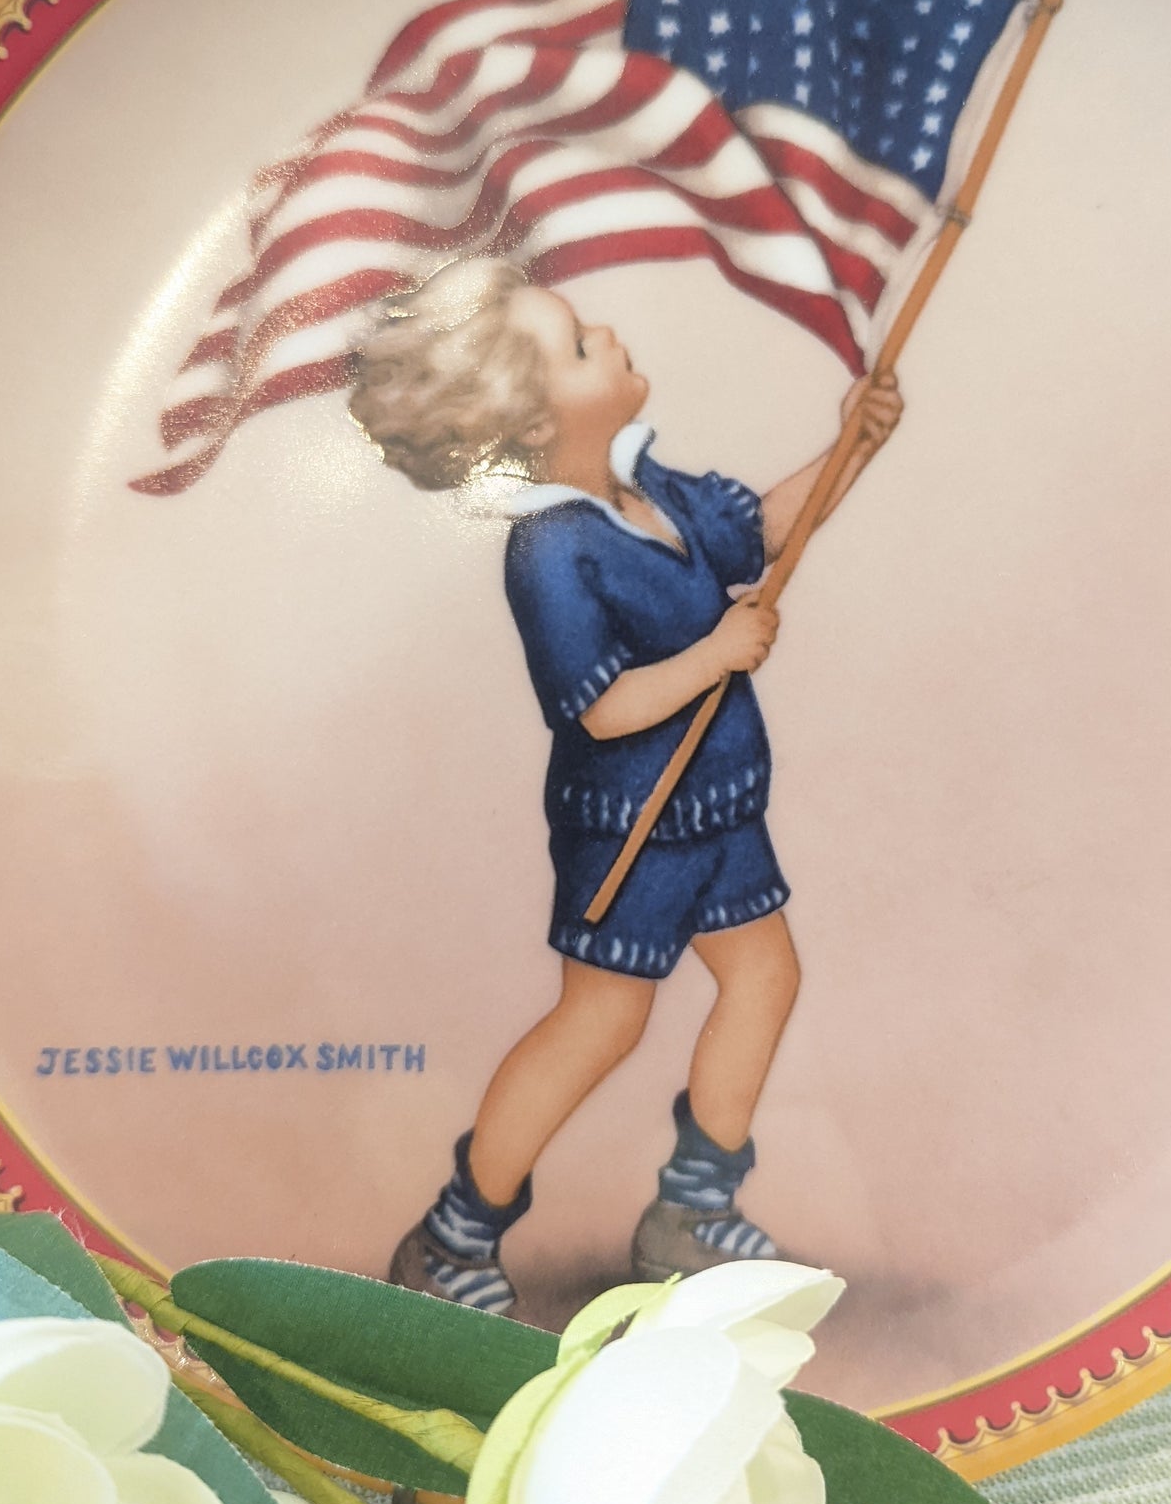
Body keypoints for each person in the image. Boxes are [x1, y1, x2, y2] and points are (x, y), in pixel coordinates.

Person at [348, 256, 902, 1313]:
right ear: (529, 417)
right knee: (600, 1021)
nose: (606, 334)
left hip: (719, 805)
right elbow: (598, 709)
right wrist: (715, 653)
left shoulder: (658, 493)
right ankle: (455, 1233)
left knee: (764, 978)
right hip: (631, 827)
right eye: (576, 345)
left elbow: (766, 531)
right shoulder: (553, 547)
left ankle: (690, 1210)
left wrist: (852, 445)